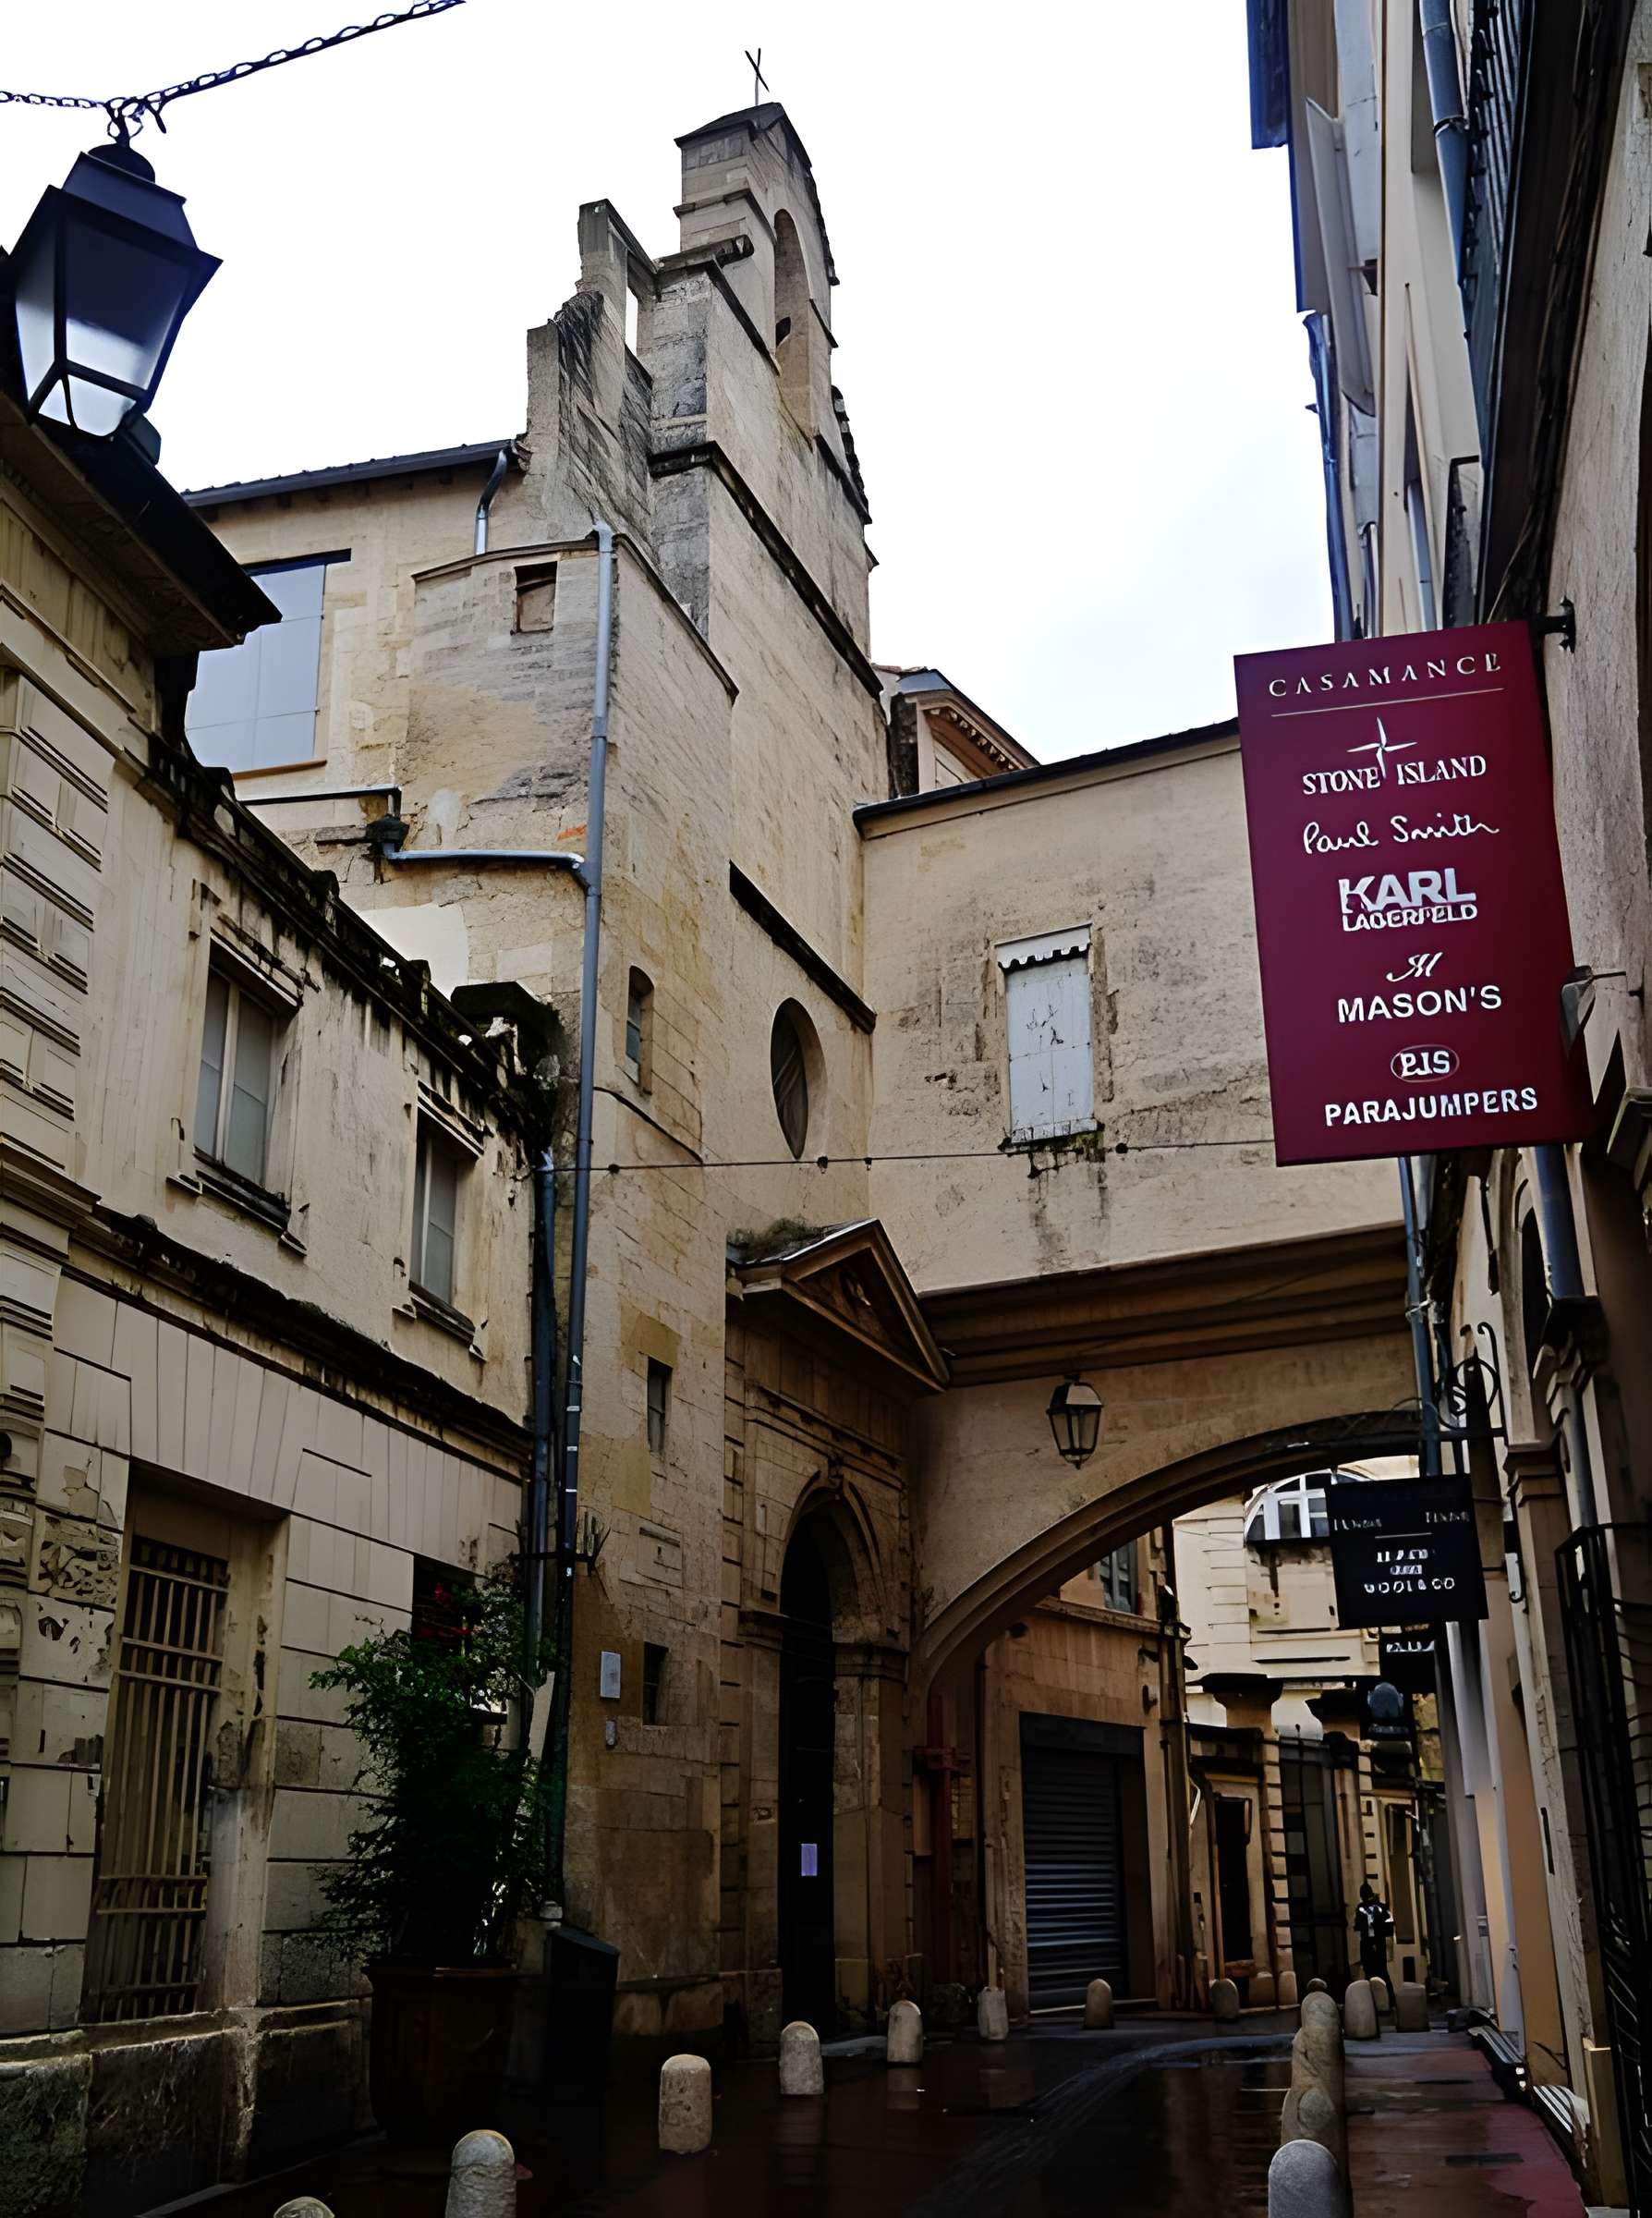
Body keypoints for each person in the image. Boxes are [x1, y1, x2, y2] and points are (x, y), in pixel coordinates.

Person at [1354, 1879, 1393, 1984]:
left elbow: (1359, 1926)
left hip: (1367, 1944)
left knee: (1369, 1974)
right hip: (1380, 1942)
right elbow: (1389, 1924)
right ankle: (1390, 1997)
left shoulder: (1361, 1908)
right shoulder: (1381, 1906)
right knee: (1383, 1973)